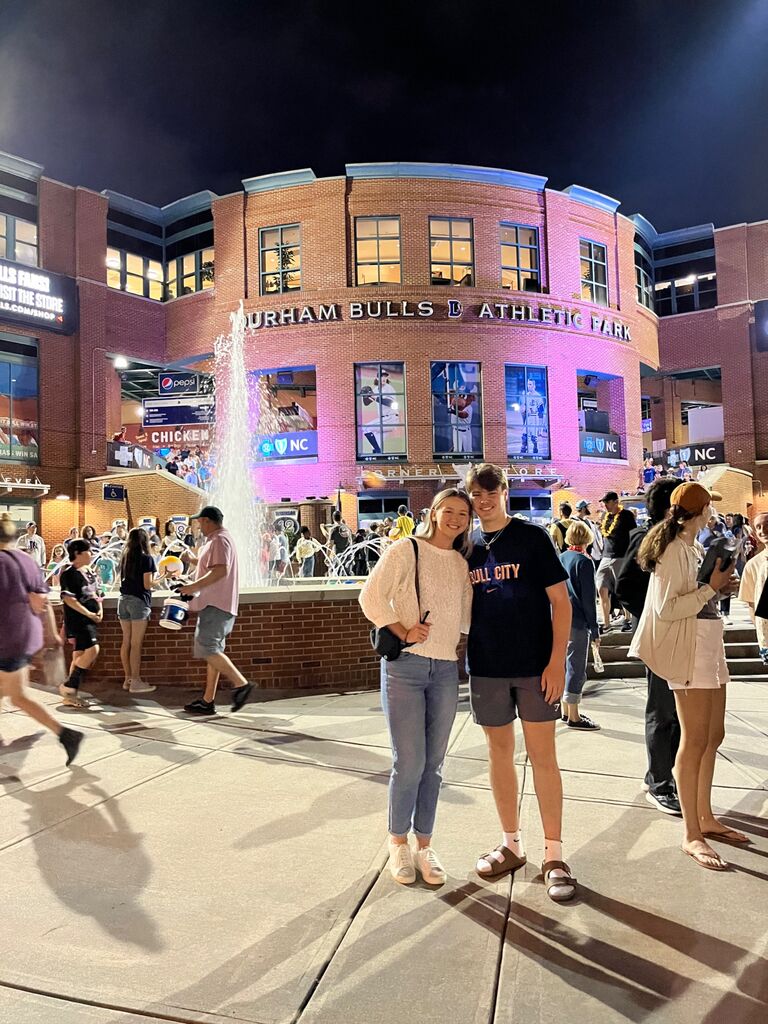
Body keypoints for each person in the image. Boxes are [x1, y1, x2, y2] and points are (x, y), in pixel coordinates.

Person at [465, 464, 576, 902]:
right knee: (499, 755)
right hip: (487, 666)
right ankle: (512, 843)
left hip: (534, 666)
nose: (484, 500)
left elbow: (561, 603)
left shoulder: (532, 538)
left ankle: (554, 853)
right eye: (476, 493)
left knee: (543, 756)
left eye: (491, 491)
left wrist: (557, 663)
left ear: (505, 492)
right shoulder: (466, 546)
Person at [359, 488, 473, 885]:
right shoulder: (406, 550)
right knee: (408, 762)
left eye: (463, 513)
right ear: (434, 512)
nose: (455, 519)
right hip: (406, 667)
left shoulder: (460, 563)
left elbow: (466, 620)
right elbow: (370, 597)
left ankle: (425, 844)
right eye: (448, 511)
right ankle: (398, 843)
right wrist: (402, 630)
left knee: (434, 765)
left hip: (444, 669)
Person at [631, 482, 747, 870]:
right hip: (690, 648)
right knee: (694, 739)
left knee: (714, 735)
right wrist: (708, 589)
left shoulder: (692, 545)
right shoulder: (672, 549)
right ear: (699, 512)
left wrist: (717, 588)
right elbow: (667, 609)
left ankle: (706, 818)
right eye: (708, 508)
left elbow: (693, 596)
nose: (713, 514)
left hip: (709, 640)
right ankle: (692, 834)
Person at [615, 478, 682, 814]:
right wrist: (653, 616)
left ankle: (659, 775)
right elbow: (624, 586)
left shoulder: (683, 540)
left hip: (685, 635)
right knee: (663, 711)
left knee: (679, 713)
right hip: (661, 637)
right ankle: (660, 783)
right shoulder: (647, 539)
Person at [0, 521, 83, 764]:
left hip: (6, 639)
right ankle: (66, 735)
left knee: (17, 695)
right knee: (17, 696)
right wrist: (52, 635)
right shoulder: (27, 561)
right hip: (25, 637)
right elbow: (43, 599)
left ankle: (66, 734)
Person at [179, 505, 253, 715]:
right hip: (217, 603)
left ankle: (241, 685)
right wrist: (191, 560)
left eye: (200, 521)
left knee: (207, 648)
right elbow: (212, 566)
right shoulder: (218, 540)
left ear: (208, 521)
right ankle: (207, 700)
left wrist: (193, 587)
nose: (198, 525)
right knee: (213, 651)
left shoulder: (220, 539)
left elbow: (220, 570)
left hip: (216, 604)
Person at [559, 521, 600, 729]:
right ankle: (574, 715)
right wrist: (595, 628)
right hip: (578, 620)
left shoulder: (561, 558)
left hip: (559, 619)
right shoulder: (584, 561)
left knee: (565, 665)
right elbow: (588, 599)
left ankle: (565, 710)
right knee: (576, 667)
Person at [59, 539, 103, 709]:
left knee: (79, 655)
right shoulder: (68, 574)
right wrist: (88, 613)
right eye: (88, 551)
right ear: (77, 553)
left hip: (91, 618)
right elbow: (69, 599)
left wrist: (99, 610)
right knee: (93, 650)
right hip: (78, 619)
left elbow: (97, 592)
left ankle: (70, 695)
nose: (91, 554)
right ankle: (69, 685)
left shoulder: (90, 571)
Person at [118, 527, 157, 694]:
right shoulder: (146, 558)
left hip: (123, 600)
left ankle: (127, 679)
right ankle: (136, 681)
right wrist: (163, 577)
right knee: (136, 644)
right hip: (139, 601)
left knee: (126, 641)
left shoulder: (125, 557)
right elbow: (147, 584)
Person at [595, 491, 636, 633]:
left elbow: (633, 535)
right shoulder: (606, 517)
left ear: (615, 501)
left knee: (622, 589)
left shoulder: (626, 516)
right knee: (601, 588)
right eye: (604, 502)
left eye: (607, 502)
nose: (605, 505)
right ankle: (606, 623)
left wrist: (632, 556)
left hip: (621, 556)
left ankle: (627, 619)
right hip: (606, 556)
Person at [738, 512, 768, 663]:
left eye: (767, 525)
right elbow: (752, 605)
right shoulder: (752, 566)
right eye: (759, 527)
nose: (763, 530)